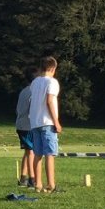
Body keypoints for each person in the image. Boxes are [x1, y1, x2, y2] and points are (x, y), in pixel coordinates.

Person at [28, 56, 63, 193]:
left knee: (37, 154)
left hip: (35, 122)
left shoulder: (34, 82)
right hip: (47, 122)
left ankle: (38, 184)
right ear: (53, 68)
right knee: (50, 153)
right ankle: (51, 185)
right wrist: (56, 122)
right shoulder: (52, 82)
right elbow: (49, 101)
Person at [15, 67, 36, 187]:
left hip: (21, 124)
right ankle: (32, 179)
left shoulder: (23, 91)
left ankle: (23, 178)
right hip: (28, 125)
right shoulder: (33, 92)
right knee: (31, 152)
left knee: (28, 151)